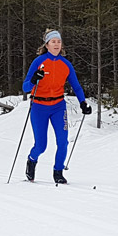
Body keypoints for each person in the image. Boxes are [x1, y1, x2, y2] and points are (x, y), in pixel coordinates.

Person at [21, 29, 91, 184]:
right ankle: (32, 160)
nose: (56, 44)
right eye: (53, 41)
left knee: (63, 141)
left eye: (59, 42)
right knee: (41, 145)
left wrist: (83, 102)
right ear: (47, 44)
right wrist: (34, 79)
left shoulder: (65, 64)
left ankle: (58, 172)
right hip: (39, 106)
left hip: (58, 106)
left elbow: (76, 86)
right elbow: (25, 87)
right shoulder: (38, 62)